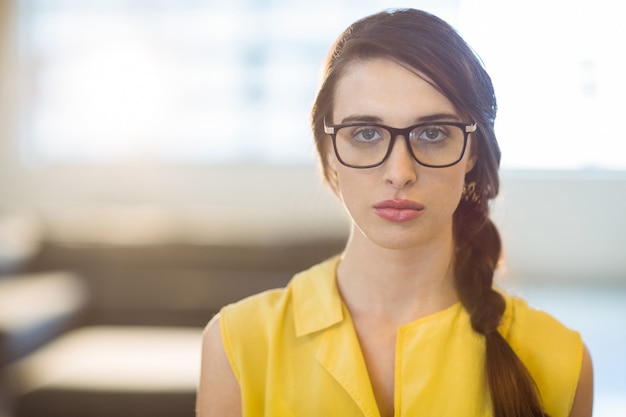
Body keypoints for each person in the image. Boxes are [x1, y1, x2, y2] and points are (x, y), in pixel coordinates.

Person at [196, 8, 593, 417]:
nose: (400, 173)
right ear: (329, 151)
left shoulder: (561, 359)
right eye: (366, 134)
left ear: (471, 151)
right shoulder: (236, 344)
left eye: (433, 133)